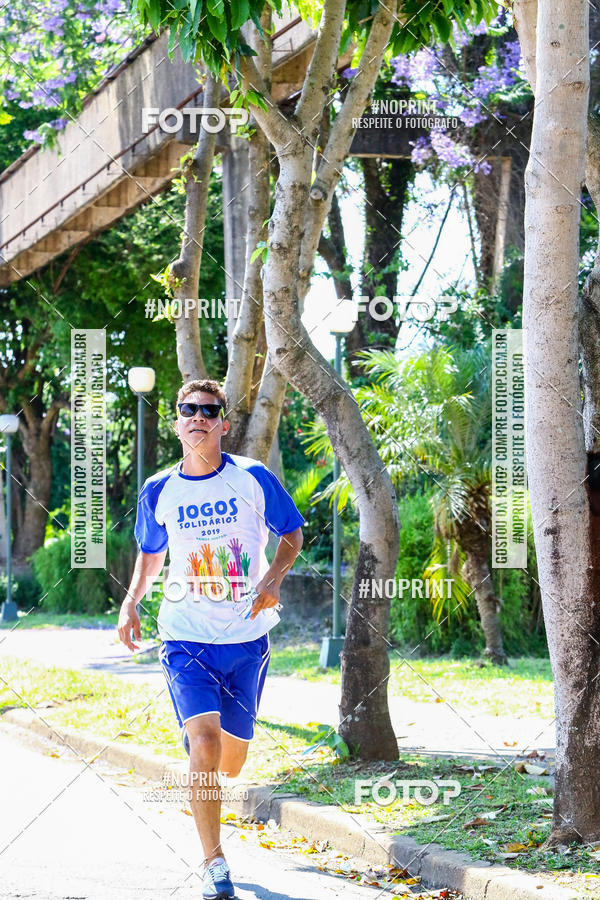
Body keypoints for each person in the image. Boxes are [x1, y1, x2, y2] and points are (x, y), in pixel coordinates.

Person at [118, 378, 304, 900]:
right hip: (185, 638)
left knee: (231, 761)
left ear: (223, 423)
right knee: (204, 746)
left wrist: (273, 580)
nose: (198, 417)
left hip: (247, 638)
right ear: (177, 423)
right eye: (188, 410)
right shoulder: (158, 490)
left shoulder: (253, 478)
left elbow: (292, 534)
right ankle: (213, 862)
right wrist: (131, 601)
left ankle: (203, 754)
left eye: (208, 410)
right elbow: (151, 554)